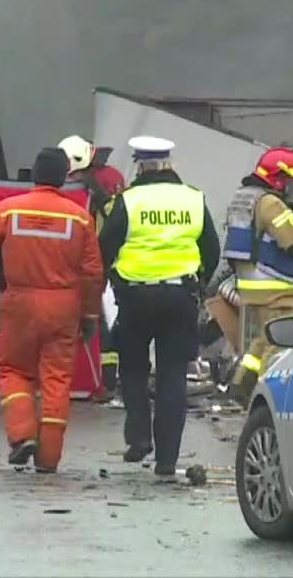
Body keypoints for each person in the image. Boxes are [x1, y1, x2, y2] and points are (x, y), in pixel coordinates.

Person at [0, 148, 103, 473]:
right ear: (63, 177)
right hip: (63, 307)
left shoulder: (8, 210)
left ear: (34, 174)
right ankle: (48, 460)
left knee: (14, 370)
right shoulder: (80, 218)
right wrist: (90, 315)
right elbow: (92, 273)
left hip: (19, 303)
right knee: (56, 379)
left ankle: (22, 435)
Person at [98, 137, 220, 477]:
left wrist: (109, 280)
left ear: (140, 166)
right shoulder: (193, 198)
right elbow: (211, 249)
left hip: (135, 297)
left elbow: (105, 246)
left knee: (133, 368)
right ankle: (167, 459)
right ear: (170, 164)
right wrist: (198, 283)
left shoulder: (129, 201)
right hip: (180, 297)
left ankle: (139, 437)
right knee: (172, 376)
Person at [224, 147, 293, 405]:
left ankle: (241, 384)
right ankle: (265, 395)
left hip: (251, 283)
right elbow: (291, 242)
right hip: (273, 286)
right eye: (289, 180)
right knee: (279, 342)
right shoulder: (271, 203)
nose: (291, 186)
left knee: (265, 337)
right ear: (278, 177)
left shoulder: (244, 196)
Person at [58, 135, 126, 405]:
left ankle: (107, 380)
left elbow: (116, 215)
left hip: (102, 257)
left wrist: (96, 190)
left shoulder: (108, 178)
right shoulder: (84, 176)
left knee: (99, 317)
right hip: (79, 255)